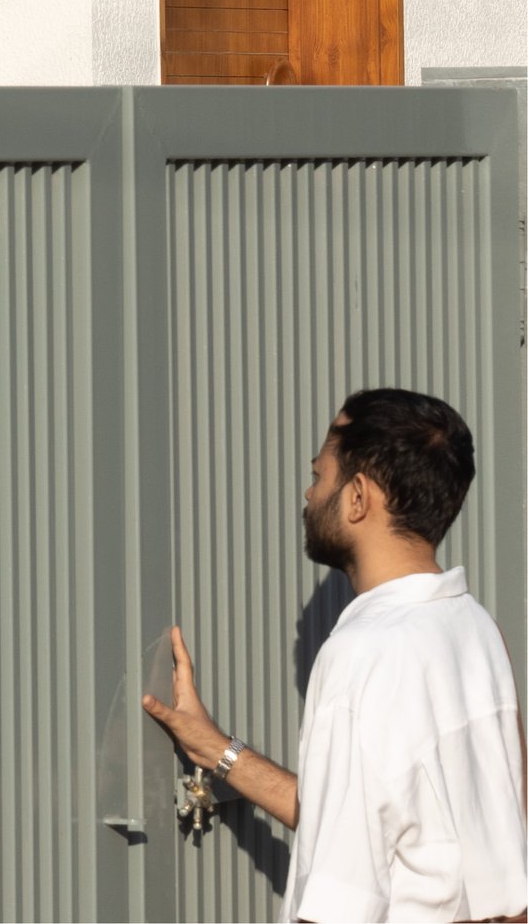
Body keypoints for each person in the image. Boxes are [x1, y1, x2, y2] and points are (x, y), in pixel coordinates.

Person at [145, 386, 528, 923]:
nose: (309, 494)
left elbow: (339, 903)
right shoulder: (476, 632)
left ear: (358, 497)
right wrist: (216, 749)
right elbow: (378, 823)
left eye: (318, 475)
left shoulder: (363, 653)